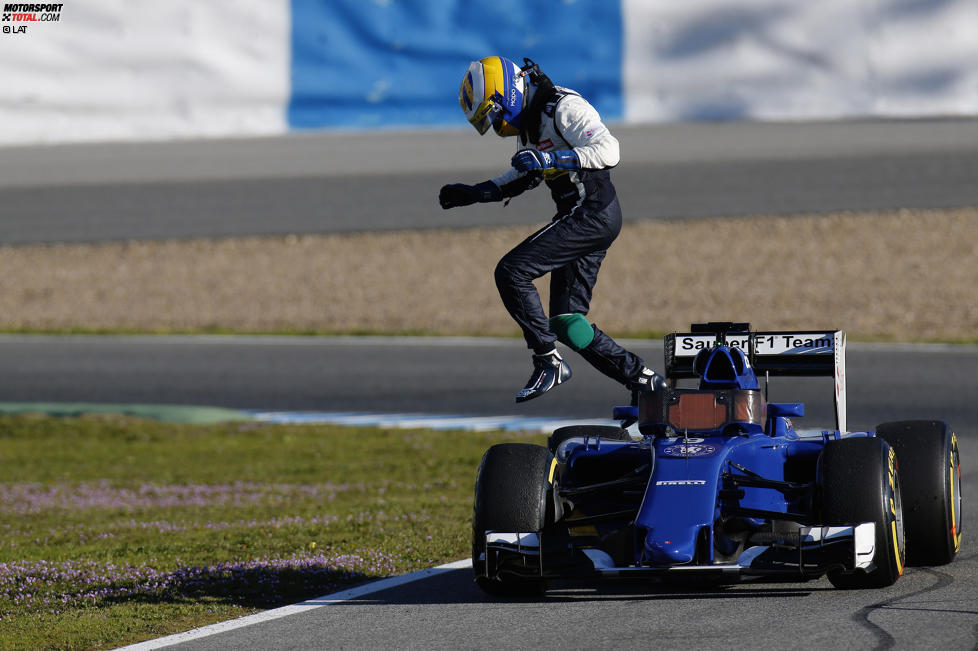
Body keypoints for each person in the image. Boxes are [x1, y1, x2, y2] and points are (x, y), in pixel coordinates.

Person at [439, 56, 666, 403]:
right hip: (585, 217)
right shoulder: (530, 123)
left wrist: (551, 160)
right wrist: (475, 193)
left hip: (591, 214)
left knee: (512, 272)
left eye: (494, 115)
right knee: (567, 322)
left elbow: (609, 149)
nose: (497, 125)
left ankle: (547, 360)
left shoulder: (563, 107)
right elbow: (523, 175)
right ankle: (645, 382)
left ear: (507, 97)